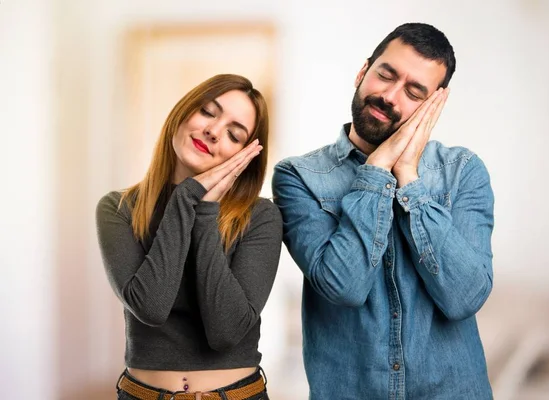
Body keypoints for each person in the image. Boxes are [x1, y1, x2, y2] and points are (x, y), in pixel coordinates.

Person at [272, 23, 495, 399]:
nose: (390, 96)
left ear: (432, 106)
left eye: (413, 91)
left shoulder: (463, 171)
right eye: (385, 75)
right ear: (363, 72)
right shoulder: (299, 177)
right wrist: (377, 171)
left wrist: (408, 177)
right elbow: (344, 287)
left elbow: (463, 298)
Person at [96, 74, 282, 400]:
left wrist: (205, 212)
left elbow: (226, 332)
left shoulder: (261, 216)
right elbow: (151, 307)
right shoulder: (118, 208)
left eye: (234, 134)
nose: (213, 131)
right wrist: (187, 197)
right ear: (182, 113)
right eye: (208, 112)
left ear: (244, 156)